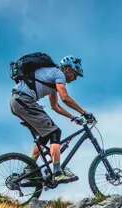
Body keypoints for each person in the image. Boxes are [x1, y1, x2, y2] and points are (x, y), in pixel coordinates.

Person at [10, 55, 95, 183]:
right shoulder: (58, 74)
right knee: (55, 132)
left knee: (45, 135)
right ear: (67, 69)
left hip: (19, 101)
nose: (75, 78)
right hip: (24, 101)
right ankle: (57, 172)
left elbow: (55, 107)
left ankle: (29, 168)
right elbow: (65, 98)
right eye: (75, 74)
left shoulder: (52, 78)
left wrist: (73, 118)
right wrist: (85, 112)